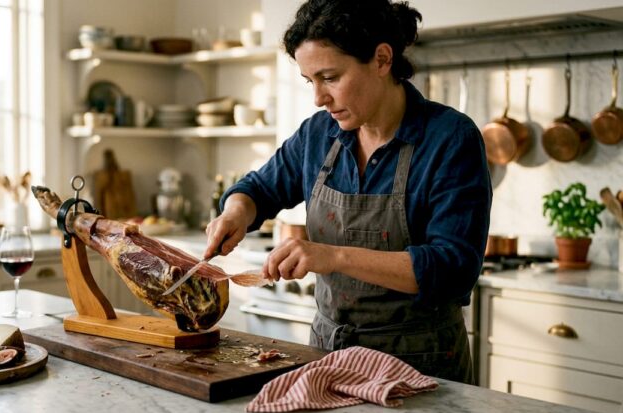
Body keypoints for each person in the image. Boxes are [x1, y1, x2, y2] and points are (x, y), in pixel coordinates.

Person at [202, 0, 491, 384]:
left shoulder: (450, 138)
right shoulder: (318, 135)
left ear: (382, 60)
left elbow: (452, 268)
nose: (318, 98)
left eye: (331, 77)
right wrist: (236, 212)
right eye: (310, 81)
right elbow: (256, 189)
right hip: (328, 354)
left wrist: (332, 256)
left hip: (420, 365)